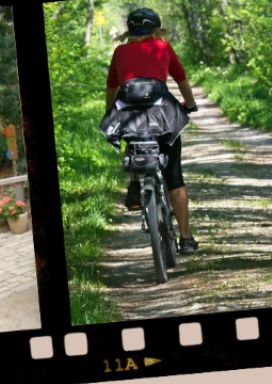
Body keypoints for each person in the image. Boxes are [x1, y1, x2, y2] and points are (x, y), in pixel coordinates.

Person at [107, 8, 201, 253]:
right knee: (174, 177)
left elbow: (111, 89)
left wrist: (111, 113)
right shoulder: (162, 47)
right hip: (163, 118)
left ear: (130, 30)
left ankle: (135, 182)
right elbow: (181, 80)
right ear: (156, 29)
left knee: (134, 141)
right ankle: (186, 238)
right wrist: (190, 105)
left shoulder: (119, 52)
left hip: (130, 119)